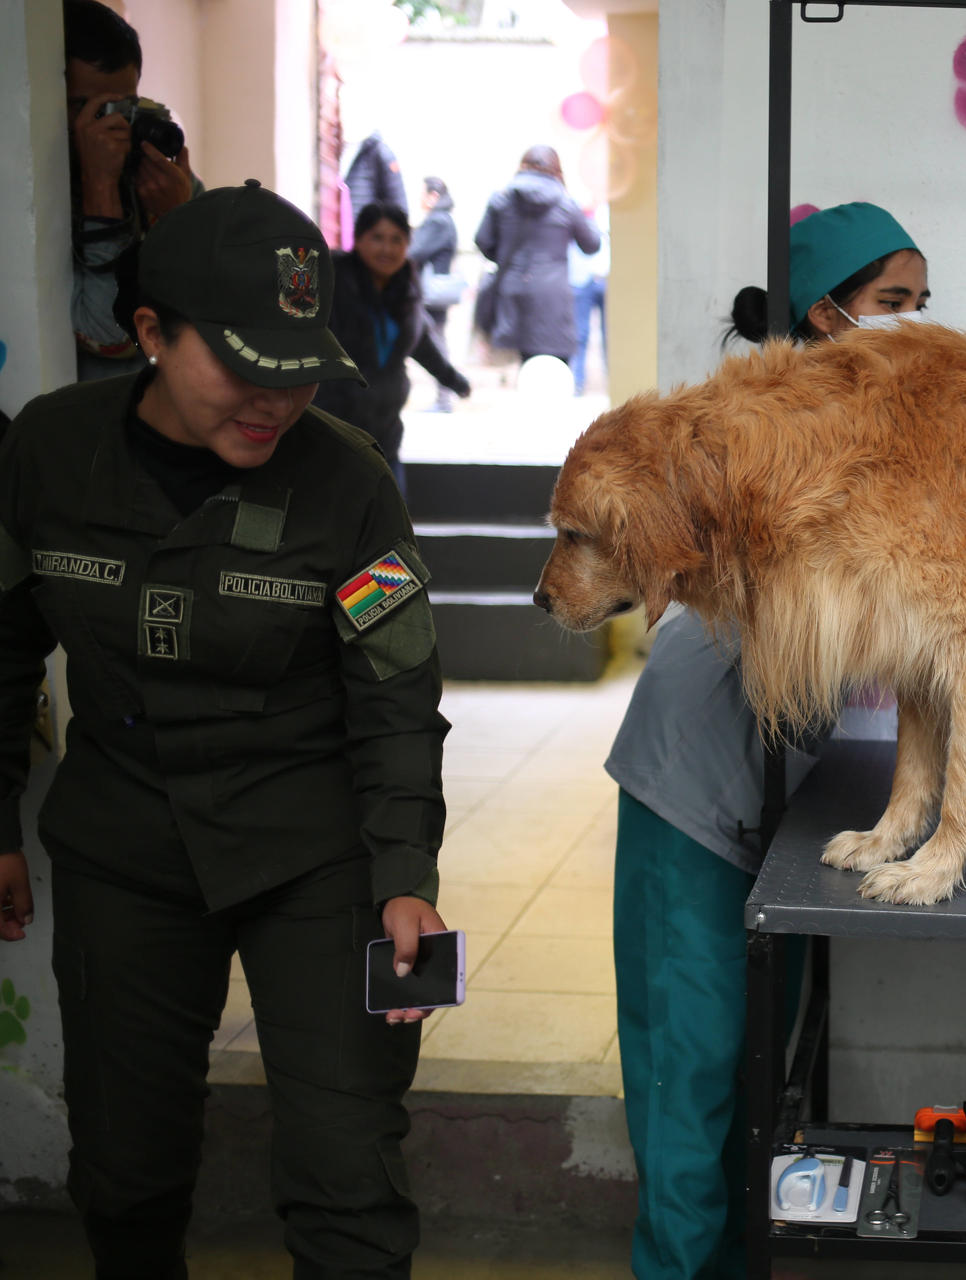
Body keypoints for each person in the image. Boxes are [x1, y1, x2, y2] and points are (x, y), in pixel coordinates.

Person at [0, 180, 454, 1278]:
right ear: (150, 333)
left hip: (320, 849)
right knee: (124, 1159)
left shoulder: (349, 484)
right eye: (246, 367)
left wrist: (406, 872)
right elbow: (6, 648)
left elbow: (397, 693)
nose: (277, 400)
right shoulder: (49, 453)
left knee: (352, 1167)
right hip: (124, 846)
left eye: (300, 373)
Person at [604, 201, 929, 1280]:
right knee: (685, 1073)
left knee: (761, 1074)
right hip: (692, 785)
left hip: (784, 793)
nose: (915, 327)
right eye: (894, 305)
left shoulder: (880, 434)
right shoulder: (747, 430)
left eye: (924, 307)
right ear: (826, 315)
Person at [64, 0, 198, 382]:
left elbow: (211, 312)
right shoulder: (36, 194)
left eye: (121, 105)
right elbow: (105, 333)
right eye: (82, 106)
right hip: (85, 422)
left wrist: (176, 220)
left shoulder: (161, 180)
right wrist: (100, 190)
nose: (108, 124)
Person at [315, 201, 471, 497]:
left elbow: (421, 343)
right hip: (333, 431)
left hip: (385, 434)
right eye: (377, 238)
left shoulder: (407, 290)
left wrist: (453, 380)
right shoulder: (332, 281)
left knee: (390, 524)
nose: (386, 249)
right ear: (358, 239)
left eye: (396, 239)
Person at [474, 145, 600, 365]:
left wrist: (505, 259)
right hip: (553, 296)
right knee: (556, 366)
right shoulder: (566, 203)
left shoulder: (501, 199)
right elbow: (591, 245)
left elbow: (483, 240)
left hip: (512, 291)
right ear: (556, 170)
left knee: (526, 365)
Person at [410, 176, 462, 412]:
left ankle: (444, 398)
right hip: (433, 294)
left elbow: (415, 252)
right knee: (436, 342)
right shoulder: (443, 219)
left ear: (433, 196)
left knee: (435, 344)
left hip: (429, 293)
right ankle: (444, 397)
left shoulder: (438, 221)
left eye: (422, 194)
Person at [568, 203, 610, 395]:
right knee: (580, 334)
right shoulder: (574, 210)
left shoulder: (607, 211)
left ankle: (610, 381)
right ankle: (577, 382)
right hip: (581, 280)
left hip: (605, 278)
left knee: (609, 335)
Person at [344, 131, 407, 238]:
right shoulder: (345, 149)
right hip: (353, 228)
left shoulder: (379, 152)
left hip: (367, 230)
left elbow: (396, 196)